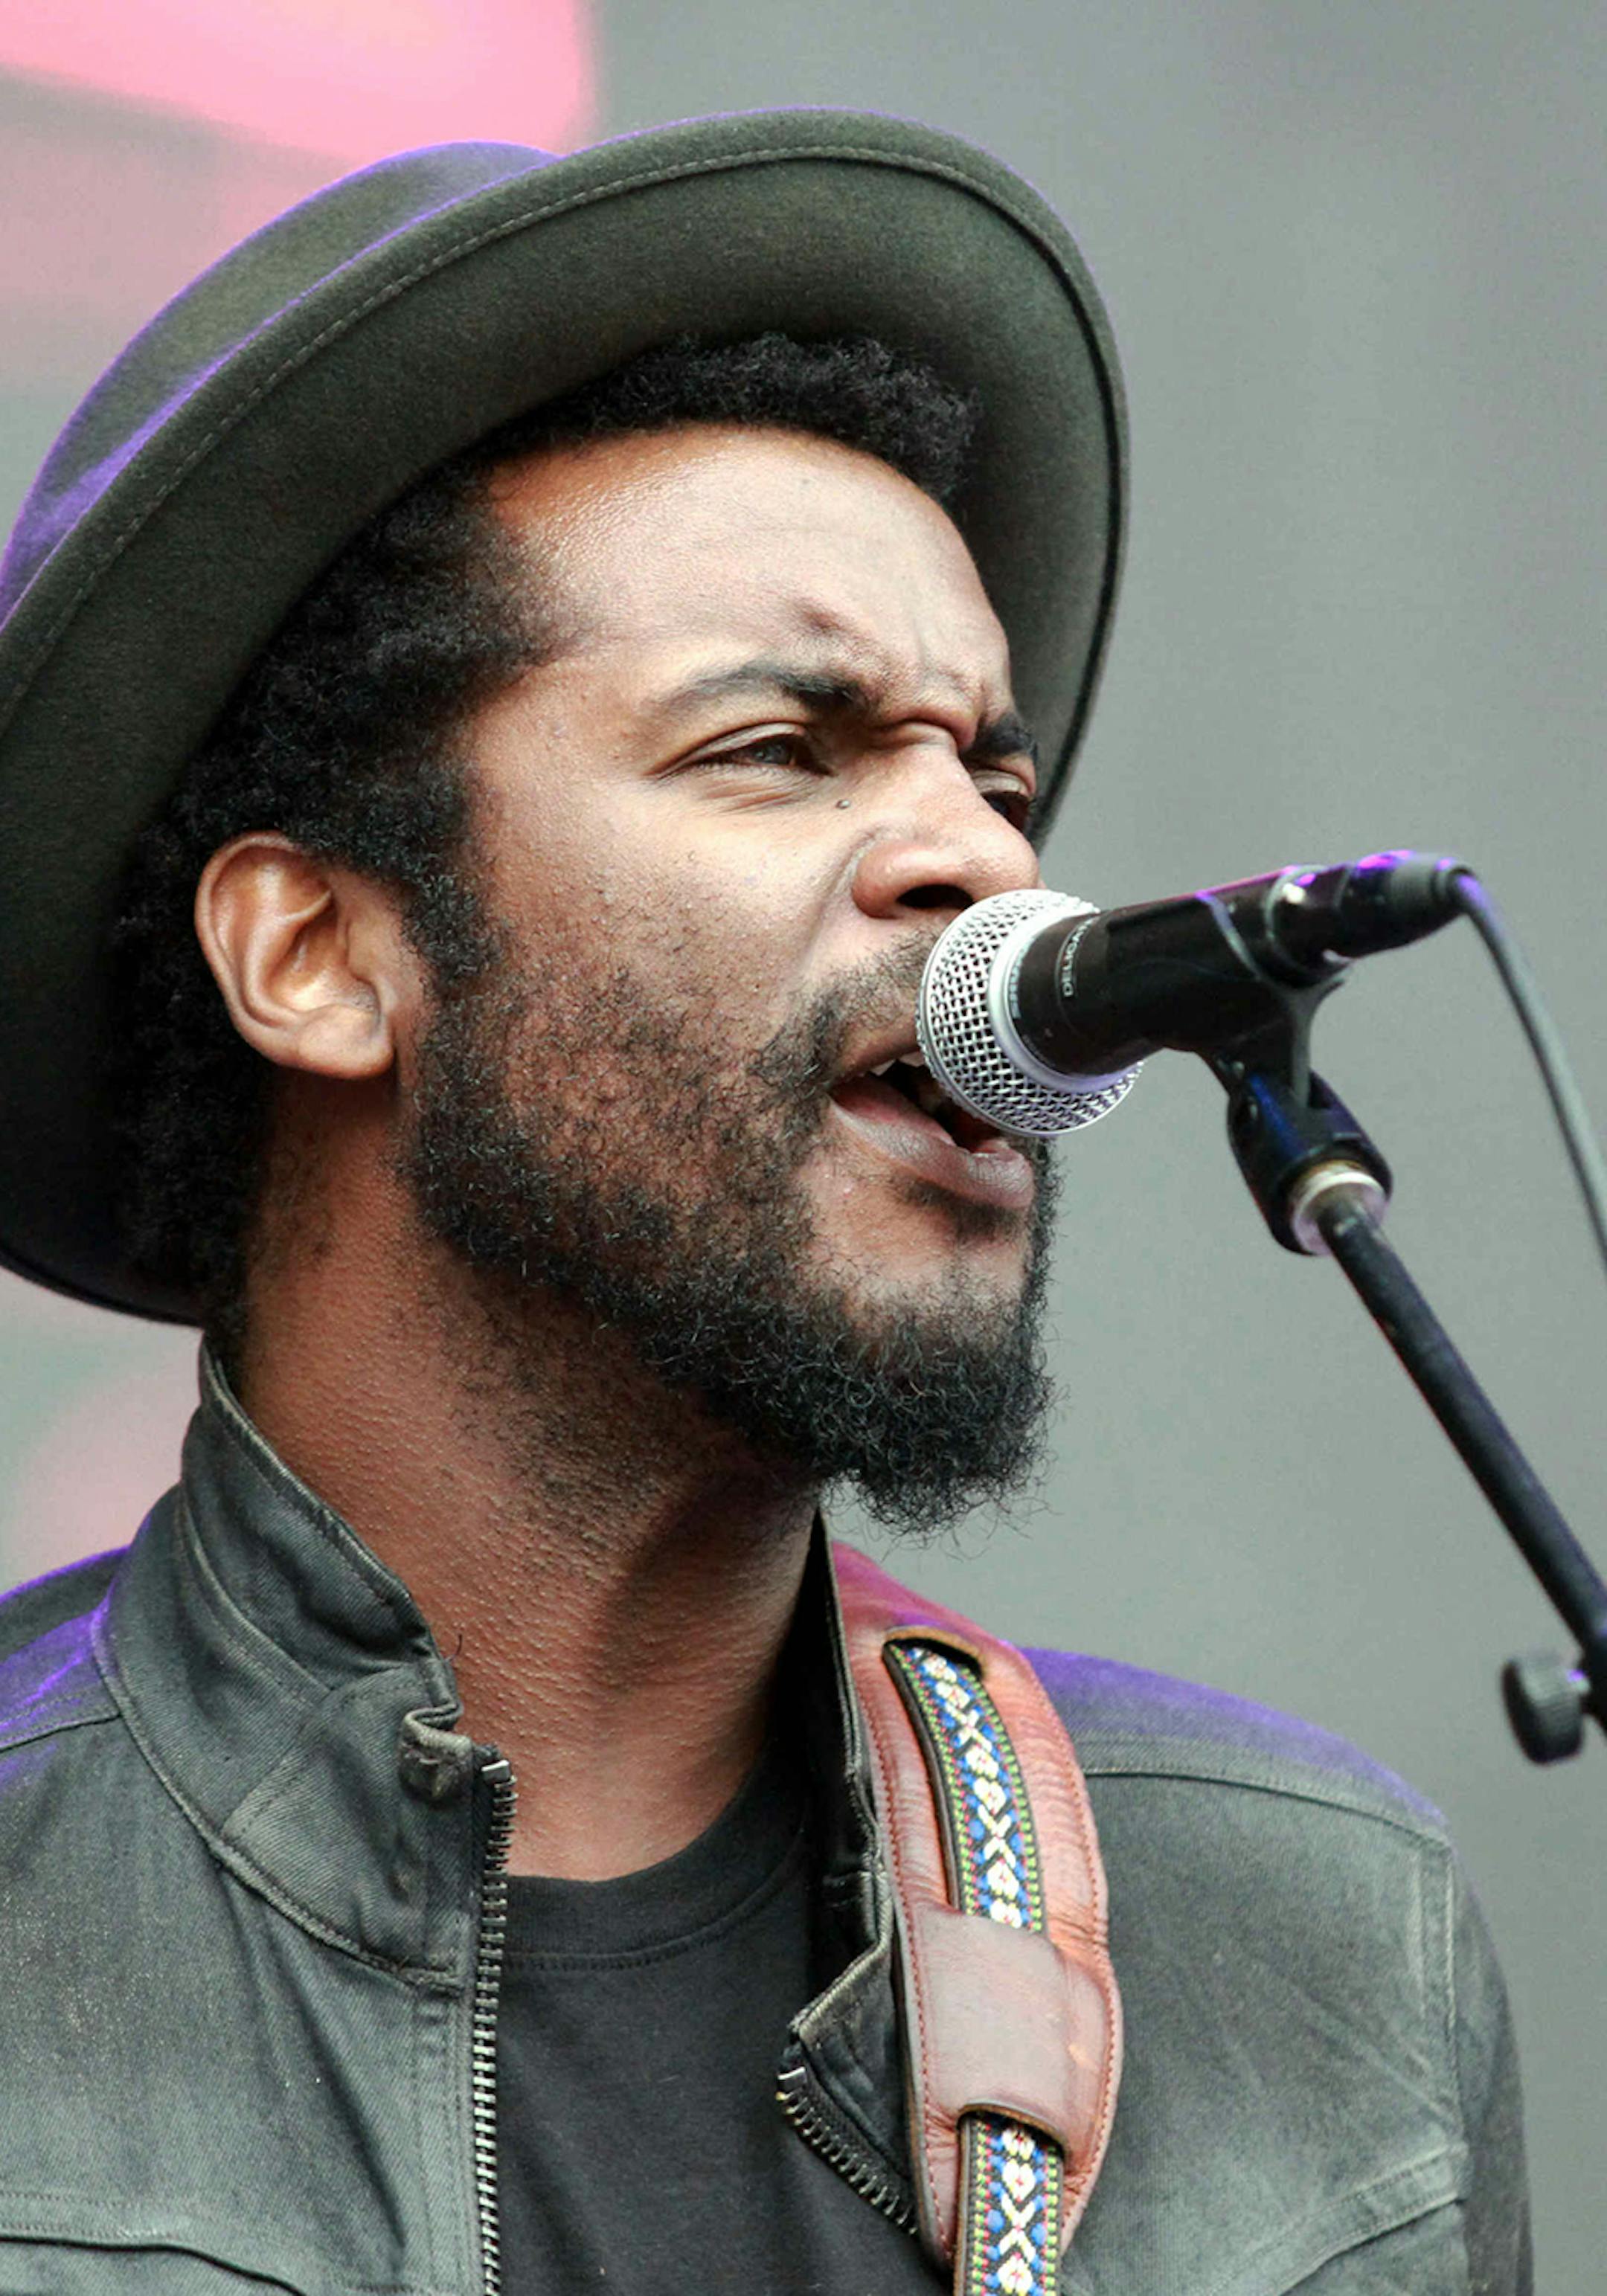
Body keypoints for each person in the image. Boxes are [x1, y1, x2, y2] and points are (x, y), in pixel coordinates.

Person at [0, 111, 1528, 2293]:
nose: (992, 867)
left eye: (992, 778)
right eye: (775, 749)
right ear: (320, 959)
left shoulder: (1318, 1946)